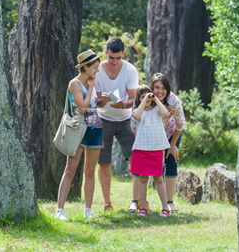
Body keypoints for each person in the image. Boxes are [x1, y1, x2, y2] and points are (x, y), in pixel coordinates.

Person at [55, 50, 105, 221]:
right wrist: (91, 88)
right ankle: (60, 210)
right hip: (79, 130)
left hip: (96, 129)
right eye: (95, 68)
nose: (97, 70)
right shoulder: (74, 84)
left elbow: (92, 105)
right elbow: (82, 108)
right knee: (70, 170)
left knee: (90, 171)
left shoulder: (91, 83)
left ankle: (88, 209)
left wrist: (102, 100)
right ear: (85, 67)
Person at [95, 37, 139, 212]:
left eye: (118, 58)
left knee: (135, 158)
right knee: (103, 162)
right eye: (111, 58)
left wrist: (124, 104)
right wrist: (102, 101)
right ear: (105, 53)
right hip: (103, 119)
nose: (114, 62)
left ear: (123, 55)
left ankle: (137, 200)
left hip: (125, 119)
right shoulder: (97, 70)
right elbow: (95, 102)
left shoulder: (130, 70)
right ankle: (107, 202)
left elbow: (133, 98)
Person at [130, 85, 170, 217]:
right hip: (142, 149)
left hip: (156, 149)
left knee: (158, 179)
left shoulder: (156, 110)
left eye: (148, 95)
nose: (146, 98)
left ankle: (165, 207)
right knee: (142, 178)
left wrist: (155, 99)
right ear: (138, 99)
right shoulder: (138, 111)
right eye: (142, 96)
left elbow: (165, 113)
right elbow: (136, 116)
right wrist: (143, 101)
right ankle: (143, 207)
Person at [150, 73, 186, 213]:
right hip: (152, 134)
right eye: (157, 87)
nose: (160, 91)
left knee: (171, 161)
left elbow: (180, 124)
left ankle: (169, 202)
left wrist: (173, 146)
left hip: (171, 133)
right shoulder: (146, 99)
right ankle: (138, 200)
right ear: (151, 88)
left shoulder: (173, 101)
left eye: (163, 88)